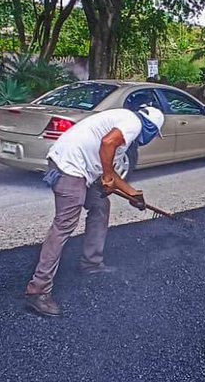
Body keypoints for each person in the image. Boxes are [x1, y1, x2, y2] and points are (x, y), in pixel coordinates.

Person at [25, 104, 165, 316]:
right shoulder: (132, 123)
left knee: (100, 205)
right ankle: (38, 290)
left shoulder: (122, 127)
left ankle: (91, 263)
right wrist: (107, 177)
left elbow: (108, 167)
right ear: (150, 128)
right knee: (64, 225)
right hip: (70, 168)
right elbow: (107, 145)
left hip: (79, 169)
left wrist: (133, 195)